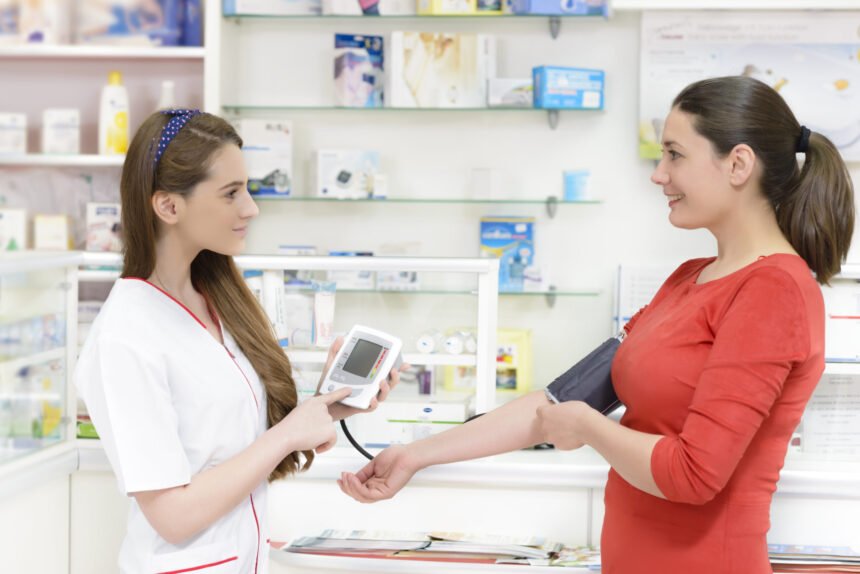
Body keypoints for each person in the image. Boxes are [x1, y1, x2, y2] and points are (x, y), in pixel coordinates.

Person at [338, 75, 856, 573]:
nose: (659, 174)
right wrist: (414, 455)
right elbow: (556, 404)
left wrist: (589, 427)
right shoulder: (688, 279)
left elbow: (694, 474)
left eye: (675, 154)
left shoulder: (775, 292)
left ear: (738, 164)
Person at [75, 109, 402, 573]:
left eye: (247, 189)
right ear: (168, 206)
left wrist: (327, 408)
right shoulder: (126, 336)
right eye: (231, 193)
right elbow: (172, 515)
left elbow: (231, 445)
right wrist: (289, 433)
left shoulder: (215, 297)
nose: (251, 208)